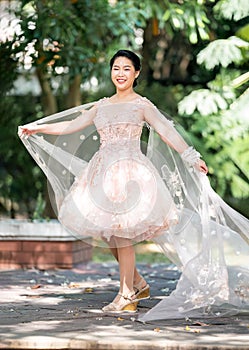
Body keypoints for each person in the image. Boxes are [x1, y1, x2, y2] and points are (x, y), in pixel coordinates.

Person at [18, 50, 249, 319]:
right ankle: (137, 284)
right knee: (110, 234)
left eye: (126, 68)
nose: (120, 73)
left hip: (131, 174)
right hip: (102, 173)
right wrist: (38, 128)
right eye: (116, 68)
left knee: (122, 234)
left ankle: (126, 294)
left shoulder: (141, 105)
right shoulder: (102, 105)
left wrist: (190, 155)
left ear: (136, 73)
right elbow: (74, 124)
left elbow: (166, 130)